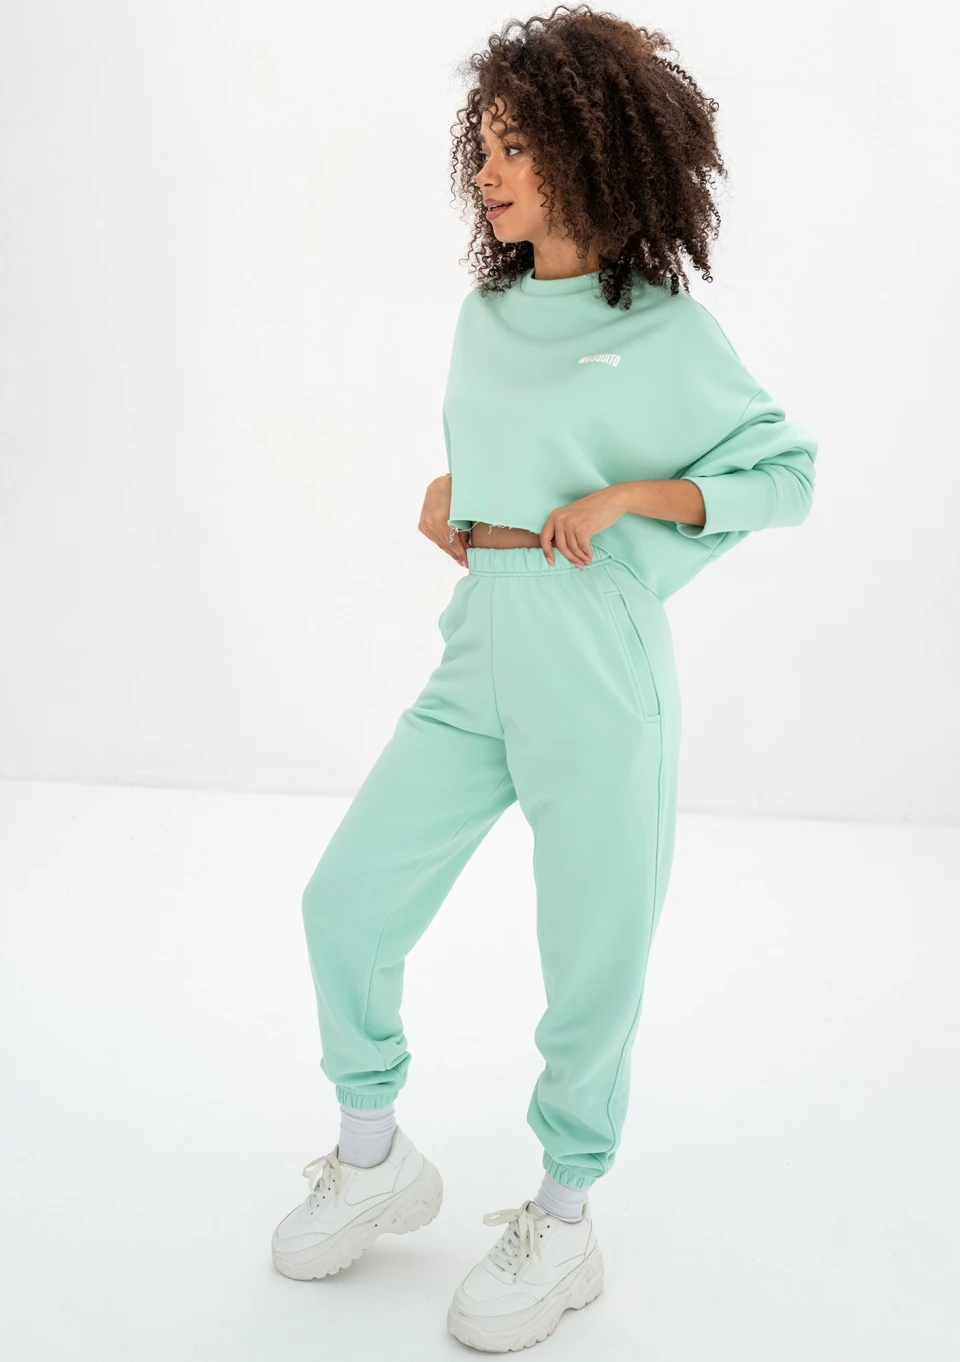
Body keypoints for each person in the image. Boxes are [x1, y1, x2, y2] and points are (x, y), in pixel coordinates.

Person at [271, 5, 818, 1352]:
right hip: (482, 647)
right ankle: (373, 1152)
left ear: (593, 149)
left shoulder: (668, 332)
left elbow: (785, 472)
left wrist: (633, 495)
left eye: (517, 144)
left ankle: (564, 1219)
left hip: (594, 661)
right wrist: (451, 496)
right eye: (483, 144)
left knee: (588, 956)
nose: (489, 171)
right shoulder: (485, 315)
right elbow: (498, 465)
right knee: (346, 899)